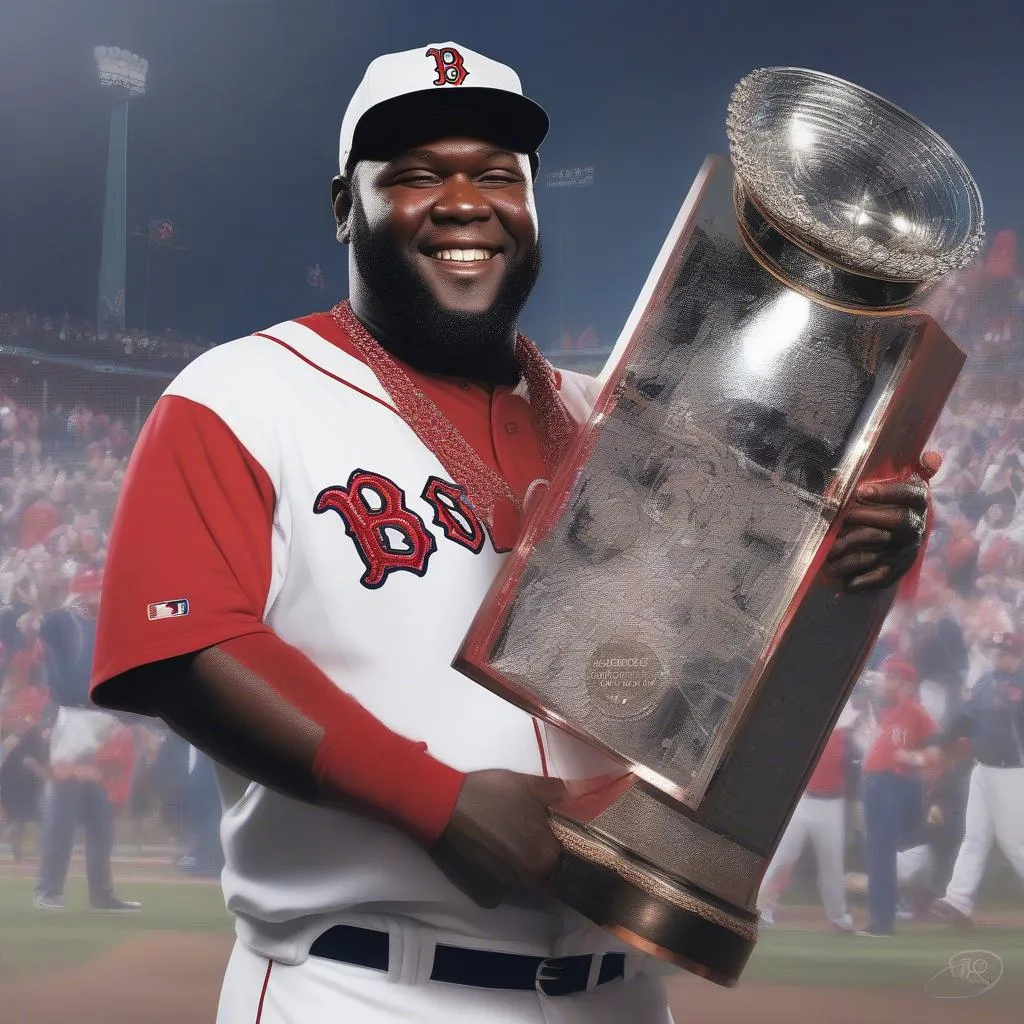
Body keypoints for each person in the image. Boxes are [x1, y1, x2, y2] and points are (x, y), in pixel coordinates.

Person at [88, 42, 936, 1024]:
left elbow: (721, 640)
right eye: (414, 175)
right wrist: (432, 798)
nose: (463, 200)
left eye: (497, 175)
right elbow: (179, 643)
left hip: (615, 992)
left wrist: (851, 547)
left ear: (532, 208)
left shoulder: (621, 421)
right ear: (342, 207)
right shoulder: (242, 392)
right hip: (362, 987)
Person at [33, 569, 141, 912]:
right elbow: (48, 628)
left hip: (101, 720)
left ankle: (101, 894)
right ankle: (49, 890)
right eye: (95, 592)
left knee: (100, 814)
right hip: (73, 720)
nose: (100, 598)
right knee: (63, 811)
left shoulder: (100, 625)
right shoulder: (63, 620)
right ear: (82, 594)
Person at [930, 630, 1024, 928]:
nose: (999, 655)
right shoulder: (985, 680)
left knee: (1015, 842)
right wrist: (942, 743)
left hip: (1013, 771)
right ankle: (958, 901)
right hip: (983, 770)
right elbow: (964, 717)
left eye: (1005, 651)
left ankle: (959, 900)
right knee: (974, 836)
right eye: (997, 651)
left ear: (1017, 654)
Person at [857, 656, 941, 936]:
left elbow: (939, 751)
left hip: (893, 783)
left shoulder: (916, 711)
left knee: (882, 851)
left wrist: (915, 758)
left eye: (889, 678)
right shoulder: (890, 711)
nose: (884, 682)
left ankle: (882, 923)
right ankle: (881, 918)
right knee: (877, 852)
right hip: (876, 784)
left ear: (903, 682)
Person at [757, 712, 856, 932]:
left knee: (832, 863)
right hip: (803, 801)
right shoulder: (808, 729)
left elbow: (853, 771)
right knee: (781, 856)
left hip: (832, 805)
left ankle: (838, 917)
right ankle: (757, 907)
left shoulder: (847, 737)